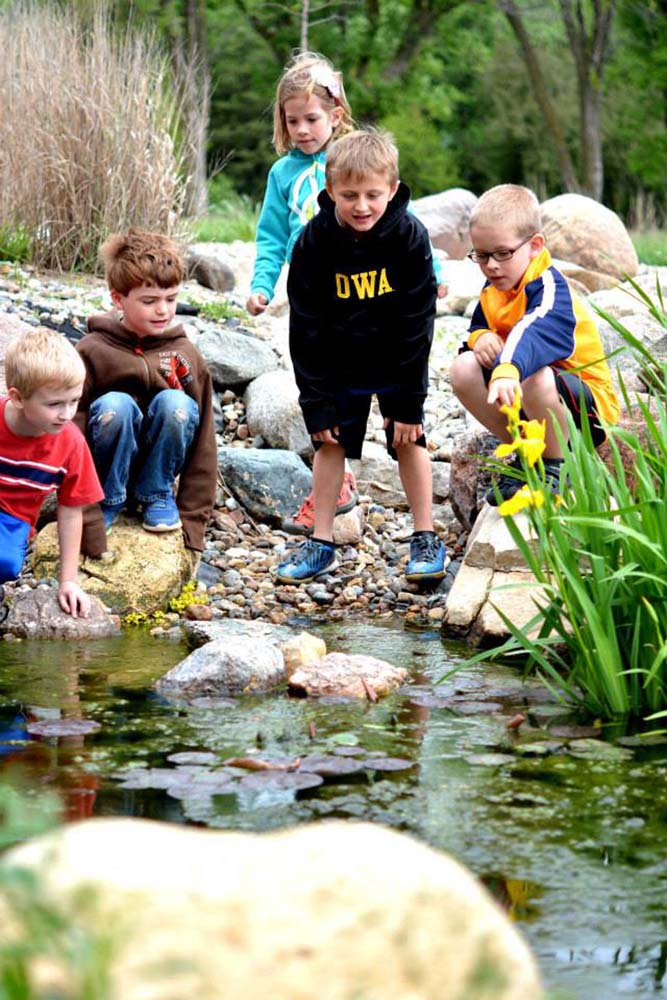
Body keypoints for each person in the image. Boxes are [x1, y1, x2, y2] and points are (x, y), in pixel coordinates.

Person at [247, 51, 447, 537]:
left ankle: (422, 531)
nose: (301, 129)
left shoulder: (365, 166)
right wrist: (262, 282)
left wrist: (434, 270)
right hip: (321, 295)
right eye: (291, 120)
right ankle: (328, 512)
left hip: (381, 312)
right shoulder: (285, 177)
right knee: (329, 421)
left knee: (406, 430)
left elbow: (406, 228)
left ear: (335, 116)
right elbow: (273, 235)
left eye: (311, 118)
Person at [275, 128, 447, 586]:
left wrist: (410, 401)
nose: (362, 206)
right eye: (349, 195)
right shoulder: (314, 242)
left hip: (396, 358)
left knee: (409, 439)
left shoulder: (409, 236)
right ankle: (321, 540)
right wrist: (315, 399)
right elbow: (305, 326)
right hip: (337, 362)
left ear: (392, 191)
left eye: (373, 194)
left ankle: (425, 537)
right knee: (331, 443)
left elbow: (419, 320)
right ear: (329, 191)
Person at [449, 183, 620, 504]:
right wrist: (481, 337)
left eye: (502, 253)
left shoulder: (550, 287)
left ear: (535, 245)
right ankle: (527, 451)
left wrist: (507, 369)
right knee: (463, 368)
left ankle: (557, 465)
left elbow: (534, 332)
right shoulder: (495, 286)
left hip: (583, 410)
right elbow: (479, 324)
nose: (492, 265)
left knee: (533, 372)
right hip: (532, 401)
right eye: (482, 255)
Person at [75, 229, 217, 562]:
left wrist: (193, 525)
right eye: (149, 301)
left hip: (158, 473)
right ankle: (110, 499)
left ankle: (155, 495)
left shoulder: (185, 355)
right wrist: (87, 513)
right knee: (115, 405)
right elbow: (71, 436)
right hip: (101, 478)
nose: (163, 311)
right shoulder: (92, 350)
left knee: (177, 404)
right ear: (117, 298)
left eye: (171, 299)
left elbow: (204, 444)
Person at [0, 327, 103, 617]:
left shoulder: (71, 444)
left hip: (12, 520)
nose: (67, 414)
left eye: (74, 401)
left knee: (5, 561)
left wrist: (68, 580)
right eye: (55, 404)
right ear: (18, 398)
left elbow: (71, 512)